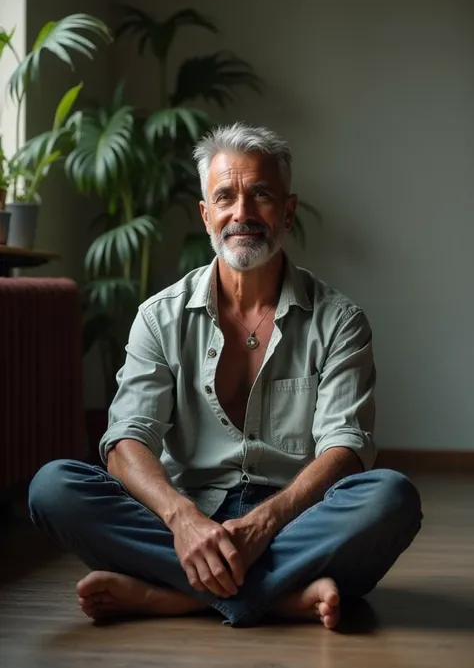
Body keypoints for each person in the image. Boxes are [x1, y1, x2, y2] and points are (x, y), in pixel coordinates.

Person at [28, 122, 422, 629]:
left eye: (260, 195)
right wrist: (184, 521)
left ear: (288, 209)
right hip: (184, 514)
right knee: (53, 487)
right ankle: (279, 596)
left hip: (294, 520)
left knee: (391, 498)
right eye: (225, 196)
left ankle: (172, 596)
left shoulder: (340, 321)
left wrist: (265, 522)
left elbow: (345, 450)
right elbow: (126, 439)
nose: (243, 213)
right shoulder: (159, 316)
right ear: (206, 213)